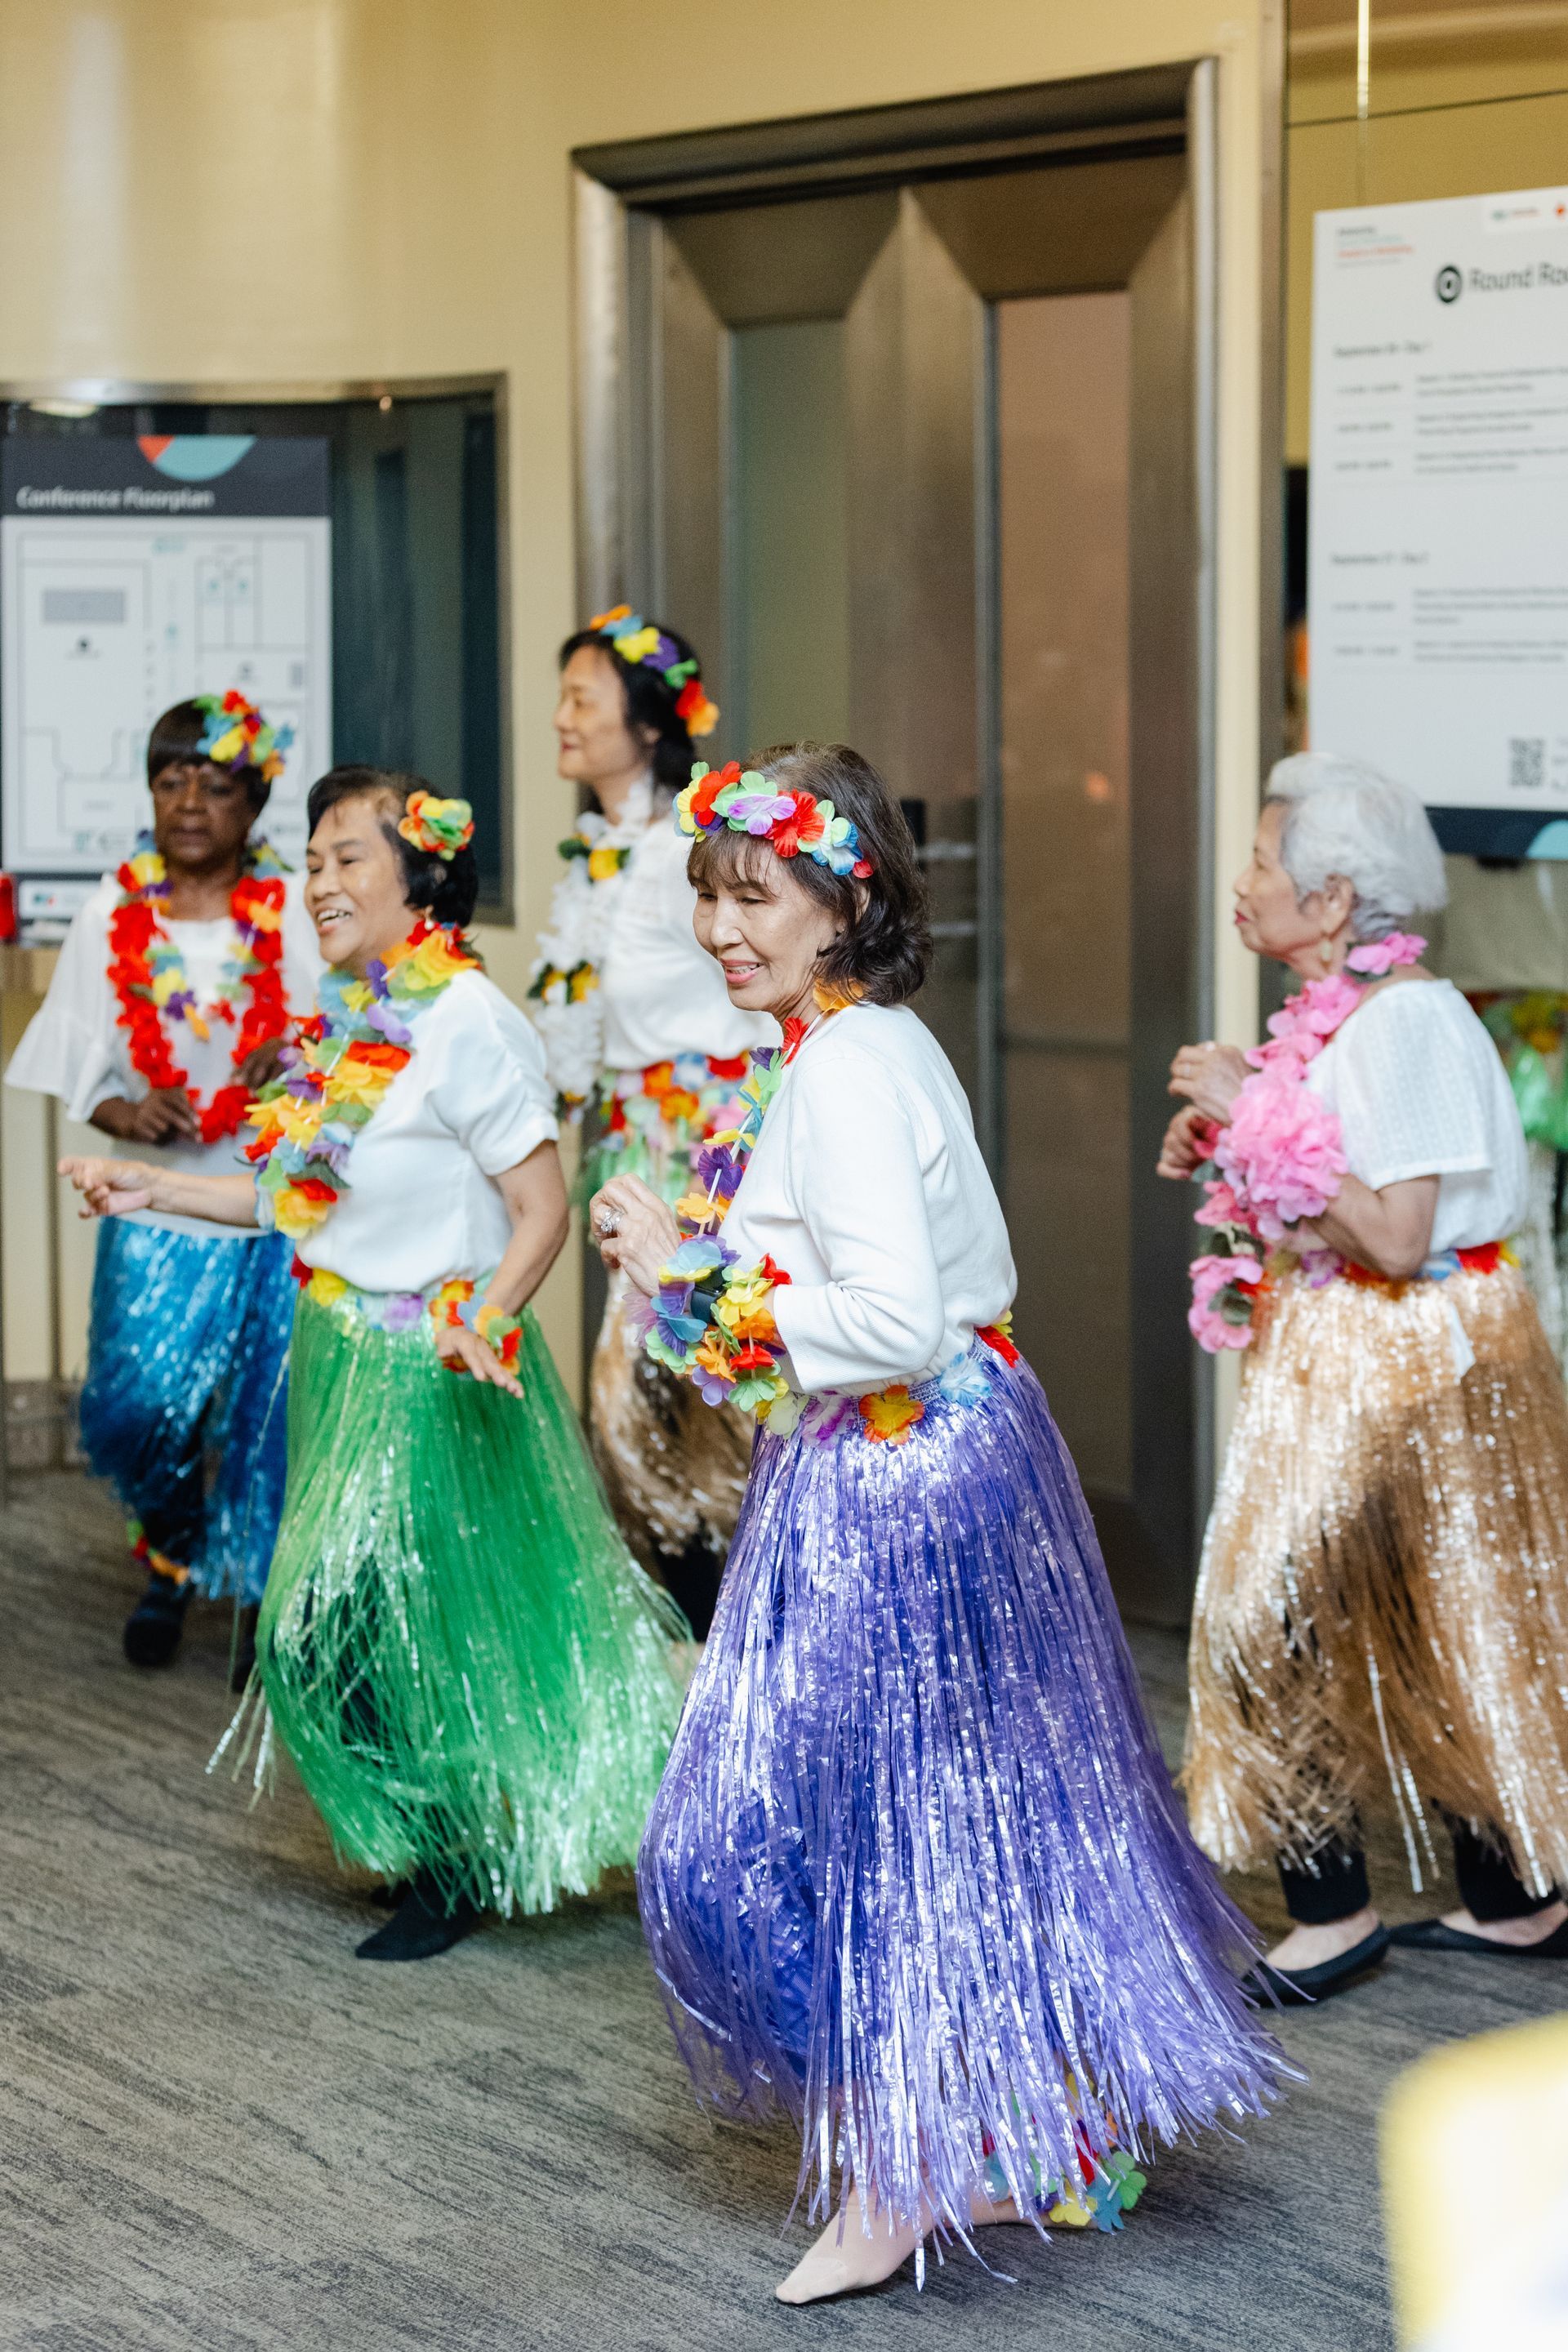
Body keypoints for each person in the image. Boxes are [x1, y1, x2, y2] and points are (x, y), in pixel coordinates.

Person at [590, 744, 1285, 2304]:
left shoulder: (841, 1066)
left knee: (803, 1826)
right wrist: (713, 1254)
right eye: (712, 898)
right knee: (956, 1812)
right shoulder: (859, 1041)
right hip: (940, 1449)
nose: (722, 930)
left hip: (903, 1467)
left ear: (843, 904)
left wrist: (679, 1275)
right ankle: (996, 2136)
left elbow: (891, 1320)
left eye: (754, 898)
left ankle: (907, 2166)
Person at [64, 767, 685, 1963]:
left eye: (350, 857)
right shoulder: (354, 1016)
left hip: (426, 1368)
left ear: (420, 873)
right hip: (341, 1348)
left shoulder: (465, 1021)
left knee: (354, 1625)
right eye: (313, 860)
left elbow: (541, 1209)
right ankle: (438, 1840)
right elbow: (297, 1199)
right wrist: (152, 1188)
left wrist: (485, 1317)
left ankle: (457, 1858)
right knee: (342, 1630)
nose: (320, 881)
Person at [1162, 752, 1568, 2004]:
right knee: (1442, 1620)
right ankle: (1518, 1900)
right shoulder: (1342, 1018)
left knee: (1266, 1616)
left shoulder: (1408, 1021)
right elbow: (1330, 1194)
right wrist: (1241, 1145)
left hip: (1415, 1350)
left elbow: (1393, 1234)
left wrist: (1248, 1115)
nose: (1243, 886)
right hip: (1360, 1349)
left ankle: (1334, 1914)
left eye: (1264, 864)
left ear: (1335, 901)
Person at [7, 693, 319, 1675]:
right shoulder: (114, 907)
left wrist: (299, 1058)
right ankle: (172, 1554)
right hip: (156, 1207)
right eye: (171, 778)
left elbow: (353, 1044)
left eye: (215, 782)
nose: (189, 800)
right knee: (144, 1408)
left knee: (268, 1416)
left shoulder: (298, 910)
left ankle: (261, 1600)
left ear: (254, 802)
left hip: (274, 1210)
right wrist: (124, 1115)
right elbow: (80, 1063)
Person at [530, 608, 773, 1632]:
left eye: (583, 699)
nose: (561, 719)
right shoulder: (598, 854)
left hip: (701, 1141)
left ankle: (727, 1620)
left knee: (657, 1397)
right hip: (635, 1141)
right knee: (659, 1405)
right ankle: (710, 1626)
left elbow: (769, 976)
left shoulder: (689, 839)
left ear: (646, 722)